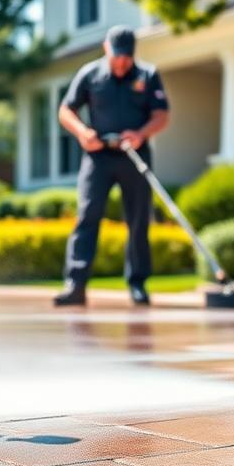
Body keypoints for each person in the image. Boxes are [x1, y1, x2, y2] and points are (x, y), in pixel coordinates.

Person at [55, 25, 170, 307]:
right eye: (117, 57)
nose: (121, 64)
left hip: (135, 154)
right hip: (98, 157)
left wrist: (141, 133)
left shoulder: (148, 75)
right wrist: (83, 132)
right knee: (88, 215)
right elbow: (66, 110)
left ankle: (138, 284)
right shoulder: (89, 74)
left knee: (138, 220)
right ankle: (76, 283)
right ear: (107, 48)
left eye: (126, 59)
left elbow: (162, 115)